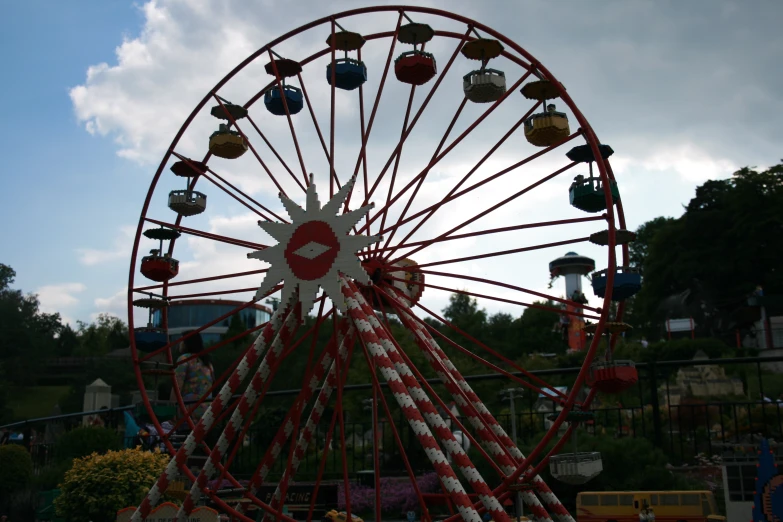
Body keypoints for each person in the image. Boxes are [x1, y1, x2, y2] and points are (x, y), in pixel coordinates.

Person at [171, 331, 215, 420]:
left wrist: (171, 411)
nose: (180, 344)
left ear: (187, 343)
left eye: (182, 341)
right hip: (207, 411)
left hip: (189, 410)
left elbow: (177, 387)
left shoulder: (184, 359)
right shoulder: (208, 363)